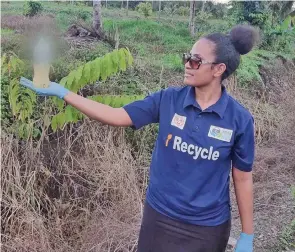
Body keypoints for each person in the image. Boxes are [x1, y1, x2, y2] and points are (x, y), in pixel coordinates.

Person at [20, 24, 258, 252]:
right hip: (160, 217)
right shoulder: (168, 100)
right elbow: (115, 115)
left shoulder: (239, 120)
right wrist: (63, 93)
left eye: (196, 61)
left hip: (207, 229)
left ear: (218, 69)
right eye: (187, 57)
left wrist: (247, 235)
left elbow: (243, 178)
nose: (187, 64)